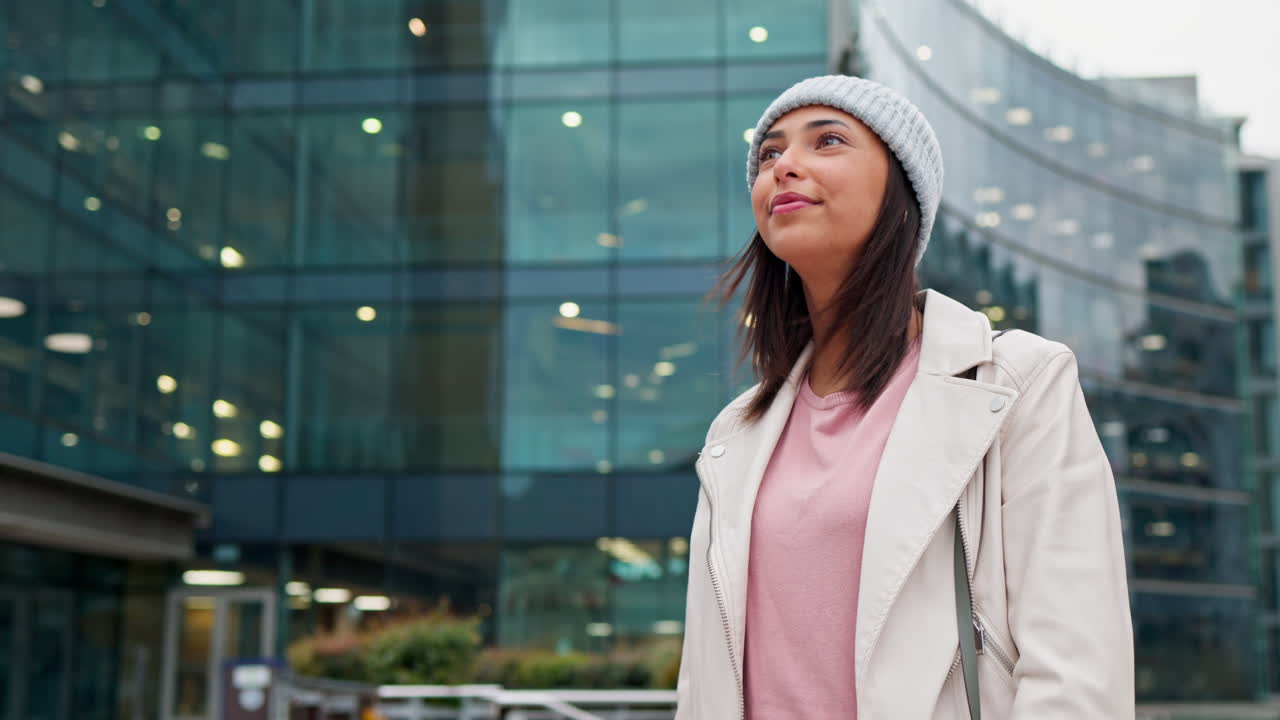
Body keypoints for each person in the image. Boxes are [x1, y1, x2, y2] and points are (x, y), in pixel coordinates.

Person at [674, 75, 1133, 719]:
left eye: (827, 141)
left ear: (902, 192)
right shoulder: (736, 432)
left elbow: (1078, 669)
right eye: (770, 153)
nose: (785, 167)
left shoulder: (1016, 382)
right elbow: (702, 682)